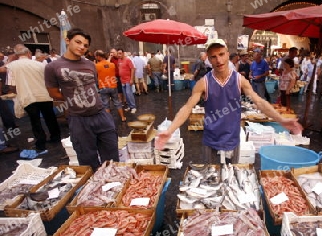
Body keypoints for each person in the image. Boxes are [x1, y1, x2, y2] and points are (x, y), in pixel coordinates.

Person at [155, 39, 303, 163]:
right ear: (208, 59)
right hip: (210, 138)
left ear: (227, 54)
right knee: (209, 176)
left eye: (221, 54)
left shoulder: (239, 80)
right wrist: (170, 130)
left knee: (232, 176)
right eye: (213, 57)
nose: (218, 60)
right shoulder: (204, 82)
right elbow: (187, 108)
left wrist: (281, 120)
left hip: (233, 137)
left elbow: (259, 102)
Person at [45, 28, 119, 171]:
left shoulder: (90, 64)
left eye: (85, 45)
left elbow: (94, 86)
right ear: (67, 40)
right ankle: (93, 189)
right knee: (87, 160)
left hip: (100, 114)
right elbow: (53, 92)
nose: (82, 47)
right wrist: (73, 99)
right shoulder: (53, 67)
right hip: (78, 119)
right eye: (78, 42)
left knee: (112, 156)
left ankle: (112, 185)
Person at [6, 44, 61, 152]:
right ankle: (56, 137)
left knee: (35, 121)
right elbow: (49, 80)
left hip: (28, 97)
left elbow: (11, 85)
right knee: (50, 117)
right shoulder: (40, 65)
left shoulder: (12, 66)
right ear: (29, 54)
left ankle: (41, 143)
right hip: (44, 95)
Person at [94, 50, 126, 122]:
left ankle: (108, 120)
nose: (95, 57)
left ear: (99, 57)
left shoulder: (97, 66)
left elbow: (95, 75)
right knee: (117, 102)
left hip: (103, 87)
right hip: (113, 86)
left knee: (106, 104)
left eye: (95, 56)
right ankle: (122, 117)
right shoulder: (112, 65)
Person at [117, 48, 137, 113]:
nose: (119, 55)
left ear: (123, 53)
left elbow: (133, 69)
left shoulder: (128, 60)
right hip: (122, 80)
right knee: (125, 94)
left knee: (129, 93)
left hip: (128, 80)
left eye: (120, 53)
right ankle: (129, 106)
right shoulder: (119, 60)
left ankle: (133, 107)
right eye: (118, 53)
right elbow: (119, 68)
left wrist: (131, 79)